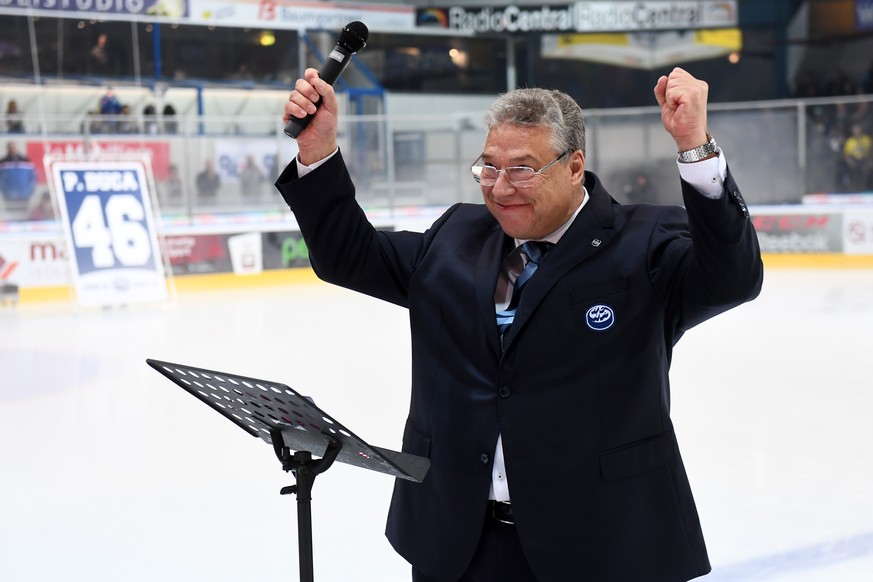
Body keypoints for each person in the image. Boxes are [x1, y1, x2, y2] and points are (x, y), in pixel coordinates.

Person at [275, 67, 763, 582]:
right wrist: (318, 151)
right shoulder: (456, 235)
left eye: (522, 169)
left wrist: (694, 146)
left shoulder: (644, 244)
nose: (500, 187)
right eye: (488, 167)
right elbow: (346, 256)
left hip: (601, 543)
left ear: (575, 167)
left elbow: (734, 277)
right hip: (459, 541)